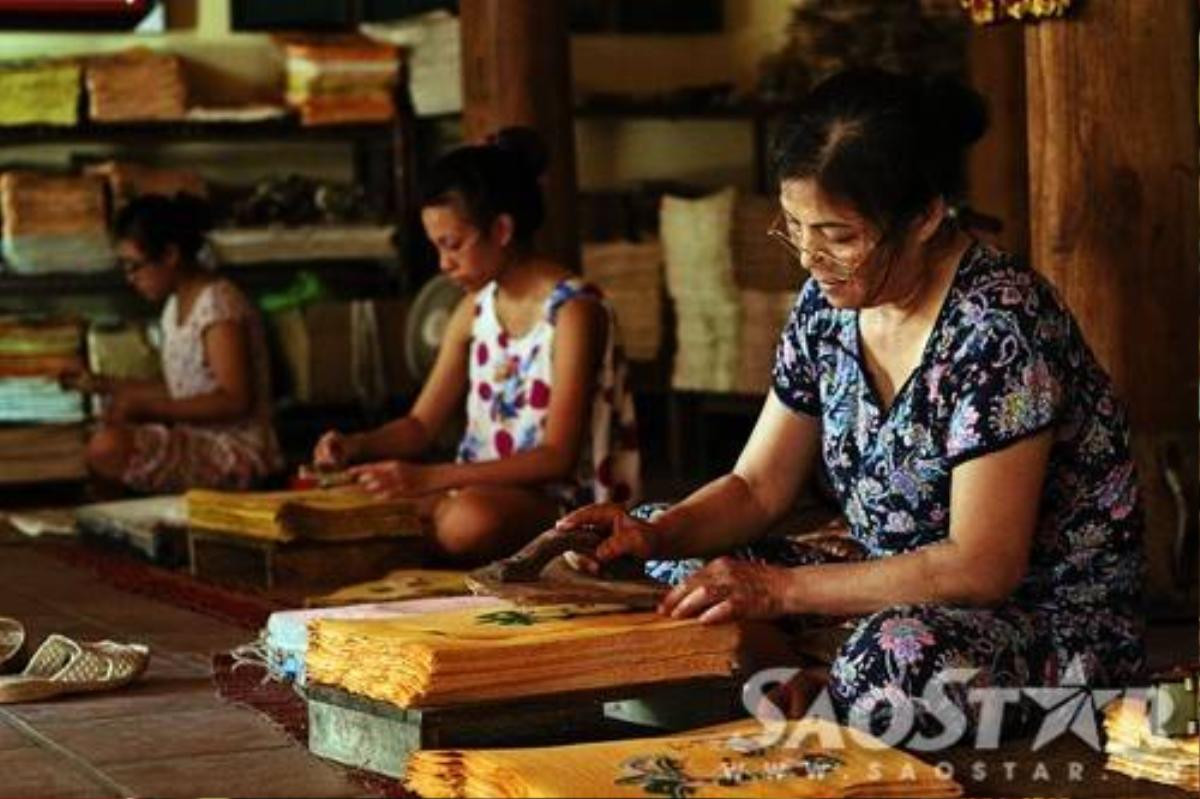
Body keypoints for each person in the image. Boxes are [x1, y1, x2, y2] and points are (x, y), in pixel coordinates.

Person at [556, 69, 1144, 740]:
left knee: (890, 660)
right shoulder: (828, 306)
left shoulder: (999, 327)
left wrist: (776, 590)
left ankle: (811, 676)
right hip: (880, 584)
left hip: (1037, 616)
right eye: (796, 228)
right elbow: (755, 486)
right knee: (668, 557)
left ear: (925, 215)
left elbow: (982, 565)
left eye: (838, 235)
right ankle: (805, 678)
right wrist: (650, 532)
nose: (810, 258)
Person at [313, 128, 640, 564]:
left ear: (502, 229)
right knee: (357, 500)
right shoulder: (475, 307)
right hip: (470, 487)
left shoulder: (573, 311)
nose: (444, 264)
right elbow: (419, 425)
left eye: (453, 245)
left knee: (466, 520)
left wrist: (429, 477)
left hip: (564, 506)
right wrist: (357, 446)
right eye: (437, 247)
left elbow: (556, 458)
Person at [75, 193, 282, 493]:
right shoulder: (172, 308)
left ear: (170, 255)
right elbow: (181, 389)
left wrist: (149, 410)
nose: (130, 279)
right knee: (93, 436)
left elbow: (235, 399)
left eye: (136, 266)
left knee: (108, 447)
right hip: (198, 439)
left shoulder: (218, 304)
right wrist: (106, 385)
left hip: (234, 449)